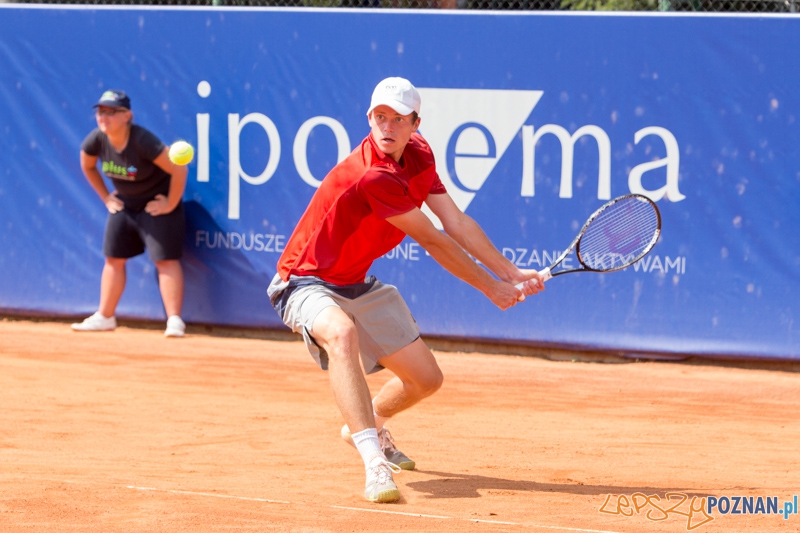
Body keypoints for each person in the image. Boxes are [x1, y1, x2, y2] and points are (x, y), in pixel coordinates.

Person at [267, 77, 545, 504]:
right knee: (341, 334)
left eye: (399, 118)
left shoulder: (420, 154)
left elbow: (455, 222)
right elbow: (434, 240)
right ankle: (373, 462)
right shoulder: (371, 174)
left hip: (357, 281)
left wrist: (510, 273)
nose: (388, 126)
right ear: (369, 118)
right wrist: (491, 288)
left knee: (426, 381)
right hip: (303, 280)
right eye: (380, 116)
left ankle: (368, 422)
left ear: (416, 124)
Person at [72, 90, 188, 338]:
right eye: (101, 112)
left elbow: (179, 170)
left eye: (111, 112)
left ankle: (174, 321)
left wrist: (169, 203)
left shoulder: (143, 141)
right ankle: (105, 316)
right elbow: (88, 165)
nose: (104, 117)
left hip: (154, 204)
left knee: (164, 260)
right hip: (125, 204)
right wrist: (106, 197)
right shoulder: (95, 140)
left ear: (127, 116)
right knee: (113, 258)